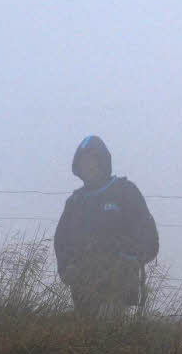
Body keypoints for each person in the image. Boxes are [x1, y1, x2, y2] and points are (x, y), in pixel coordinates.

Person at [54, 135, 159, 318]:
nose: (89, 166)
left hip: (118, 288)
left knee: (108, 333)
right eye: (84, 162)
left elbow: (148, 235)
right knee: (84, 340)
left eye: (94, 160)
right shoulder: (75, 202)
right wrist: (67, 268)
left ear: (104, 162)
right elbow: (61, 241)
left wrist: (129, 257)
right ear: (78, 168)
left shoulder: (124, 191)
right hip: (82, 289)